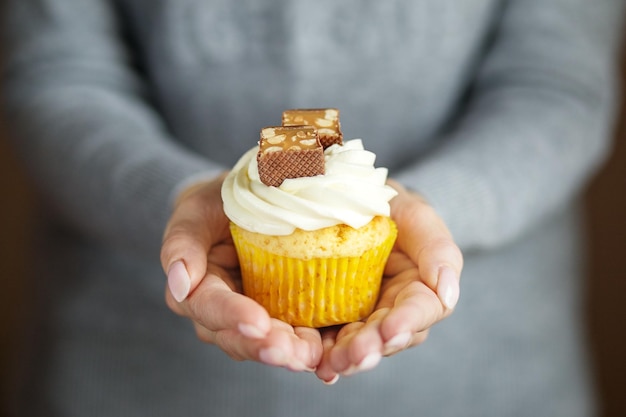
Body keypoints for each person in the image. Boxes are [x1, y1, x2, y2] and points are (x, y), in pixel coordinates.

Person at [1, 0, 623, 416]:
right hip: (131, 370)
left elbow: (556, 82)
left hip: (485, 377)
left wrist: (438, 204)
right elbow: (56, 73)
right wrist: (182, 195)